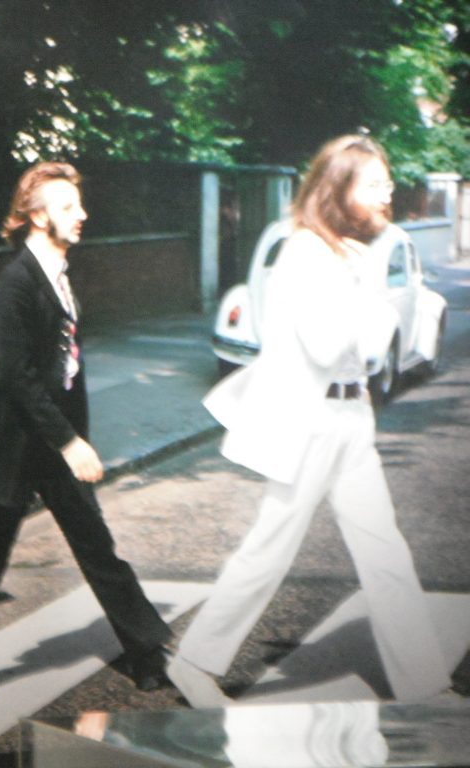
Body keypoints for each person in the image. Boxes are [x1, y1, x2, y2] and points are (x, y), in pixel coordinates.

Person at [166, 135, 452, 706]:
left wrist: (364, 278)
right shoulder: (304, 253)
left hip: (352, 417)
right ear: (338, 187)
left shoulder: (349, 253)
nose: (388, 192)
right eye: (374, 183)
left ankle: (425, 685)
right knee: (270, 548)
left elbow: (371, 353)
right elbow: (325, 347)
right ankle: (195, 663)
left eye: (387, 181)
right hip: (309, 421)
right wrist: (367, 280)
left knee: (385, 551)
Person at [0, 161, 172, 703]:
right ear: (37, 216)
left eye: (78, 205)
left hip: (50, 438)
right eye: (67, 207)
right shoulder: (15, 283)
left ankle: (147, 652)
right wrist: (70, 442)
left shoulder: (59, 272)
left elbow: (66, 369)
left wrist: (72, 435)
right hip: (15, 444)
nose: (81, 215)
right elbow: (19, 377)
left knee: (96, 546)